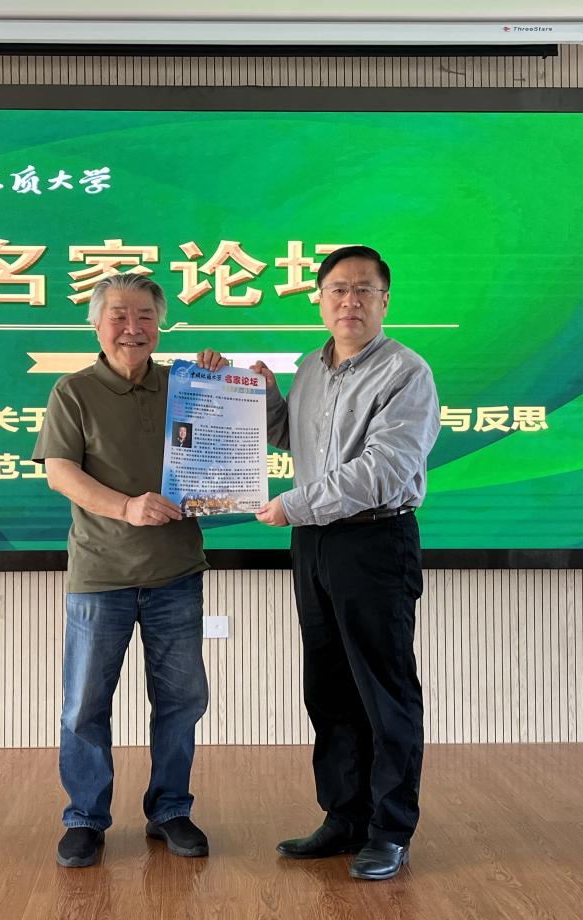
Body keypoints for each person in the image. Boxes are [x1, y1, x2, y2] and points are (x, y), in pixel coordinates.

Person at [201, 244, 439, 881]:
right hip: (312, 543)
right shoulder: (312, 365)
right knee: (329, 687)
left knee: (383, 690)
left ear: (385, 300)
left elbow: (384, 469)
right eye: (337, 289)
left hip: (374, 541)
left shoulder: (406, 373)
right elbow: (293, 438)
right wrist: (259, 396)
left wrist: (295, 504)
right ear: (320, 299)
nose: (349, 301)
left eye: (364, 290)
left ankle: (390, 830)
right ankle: (343, 816)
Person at [33, 272, 211, 869]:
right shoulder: (74, 391)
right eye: (118, 316)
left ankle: (170, 810)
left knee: (181, 700)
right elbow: (60, 472)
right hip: (100, 574)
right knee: (84, 705)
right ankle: (85, 817)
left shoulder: (186, 386)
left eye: (144, 316)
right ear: (97, 324)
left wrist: (226, 382)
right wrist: (127, 507)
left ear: (160, 325)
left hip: (176, 572)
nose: (131, 328)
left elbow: (230, 445)